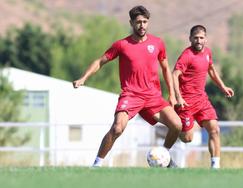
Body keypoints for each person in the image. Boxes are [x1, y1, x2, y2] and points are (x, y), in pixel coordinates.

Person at [73, 5, 182, 167]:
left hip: (153, 97)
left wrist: (172, 94)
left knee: (177, 125)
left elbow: (166, 68)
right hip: (131, 95)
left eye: (145, 21)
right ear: (131, 23)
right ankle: (96, 164)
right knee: (117, 128)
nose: (142, 25)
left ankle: (163, 156)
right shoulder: (121, 45)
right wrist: (84, 77)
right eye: (138, 22)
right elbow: (100, 62)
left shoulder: (157, 43)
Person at [172, 25, 234, 169]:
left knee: (214, 129)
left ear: (205, 39)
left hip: (202, 100)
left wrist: (223, 87)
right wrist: (178, 97)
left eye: (201, 38)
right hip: (186, 103)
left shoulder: (207, 53)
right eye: (195, 38)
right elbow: (175, 75)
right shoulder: (186, 55)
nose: (198, 41)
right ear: (190, 39)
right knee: (187, 139)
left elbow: (211, 70)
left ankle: (215, 166)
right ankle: (174, 127)